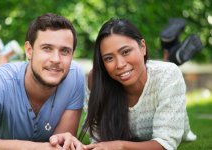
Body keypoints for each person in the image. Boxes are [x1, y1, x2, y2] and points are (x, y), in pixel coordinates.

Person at [0, 13, 86, 150]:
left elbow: (61, 144)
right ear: (29, 50)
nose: (56, 59)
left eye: (65, 51)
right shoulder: (0, 80)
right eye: (47, 48)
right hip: (3, 77)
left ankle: (1, 56)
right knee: (0, 73)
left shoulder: (75, 77)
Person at [80, 18, 196, 150]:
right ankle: (169, 52)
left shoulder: (167, 75)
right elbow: (98, 140)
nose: (120, 64)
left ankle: (170, 54)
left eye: (125, 52)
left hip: (170, 101)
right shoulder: (98, 80)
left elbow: (166, 143)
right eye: (109, 58)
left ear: (143, 47)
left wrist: (121, 145)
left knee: (165, 72)